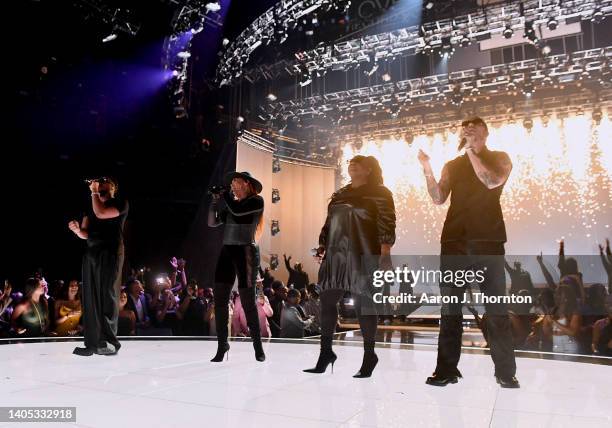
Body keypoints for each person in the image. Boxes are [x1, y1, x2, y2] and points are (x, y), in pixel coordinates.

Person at [418, 117, 519, 388]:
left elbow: (490, 182)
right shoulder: (452, 165)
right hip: (455, 243)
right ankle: (446, 370)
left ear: (486, 133)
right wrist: (426, 166)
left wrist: (472, 152)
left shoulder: (500, 158)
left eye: (475, 128)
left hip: (488, 243)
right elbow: (438, 198)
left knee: (496, 310)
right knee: (450, 309)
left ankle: (505, 372)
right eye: (465, 129)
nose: (469, 131)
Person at [304, 155, 396, 378]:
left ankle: (369, 355)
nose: (352, 165)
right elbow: (328, 224)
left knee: (365, 304)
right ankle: (325, 353)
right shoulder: (340, 195)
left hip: (363, 252)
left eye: (358, 163)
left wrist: (385, 252)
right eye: (351, 163)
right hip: (336, 255)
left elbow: (387, 221)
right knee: (326, 301)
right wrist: (322, 246)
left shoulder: (380, 193)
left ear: (369, 169)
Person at [208, 171, 266, 362]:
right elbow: (212, 222)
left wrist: (224, 196)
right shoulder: (232, 205)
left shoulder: (257, 201)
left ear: (247, 184)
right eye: (231, 181)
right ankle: (222, 344)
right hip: (228, 251)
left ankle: (258, 346)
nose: (232, 184)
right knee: (220, 298)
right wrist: (215, 201)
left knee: (248, 300)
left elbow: (238, 211)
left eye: (236, 181)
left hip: (246, 252)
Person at [69, 176, 128, 356]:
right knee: (91, 296)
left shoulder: (120, 202)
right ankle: (93, 343)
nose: (100, 184)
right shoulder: (90, 207)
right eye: (98, 182)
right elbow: (86, 233)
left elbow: (102, 213)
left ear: (113, 188)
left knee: (107, 293)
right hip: (92, 253)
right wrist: (77, 230)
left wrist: (94, 191)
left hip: (110, 252)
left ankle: (110, 342)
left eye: (104, 181)